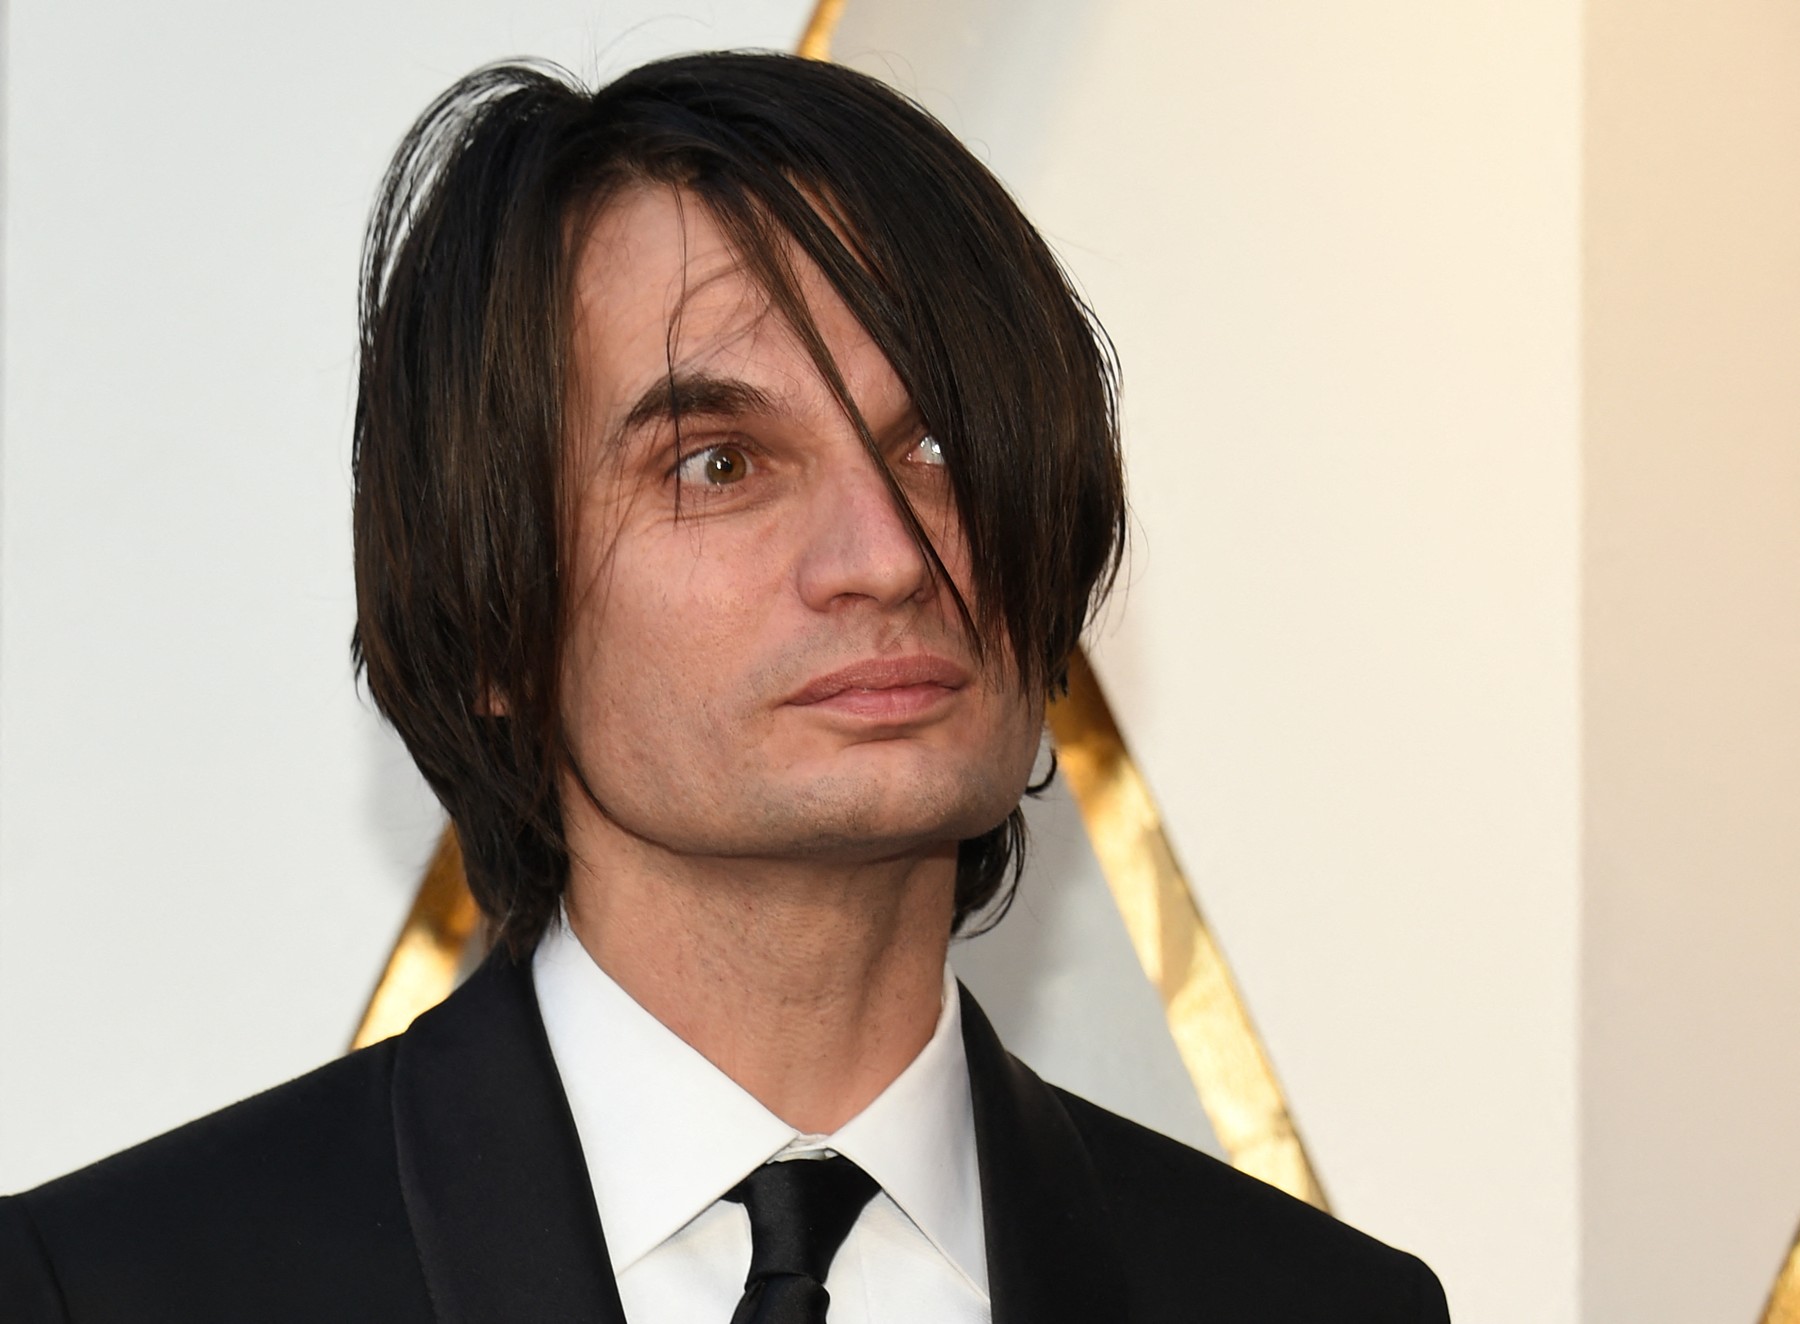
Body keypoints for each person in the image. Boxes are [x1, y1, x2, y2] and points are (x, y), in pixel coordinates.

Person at [0, 52, 1449, 1323]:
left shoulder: (1316, 1304)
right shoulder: (118, 1287)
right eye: (720, 464)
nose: (886, 556)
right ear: (496, 610)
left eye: (939, 446)